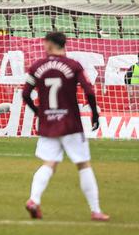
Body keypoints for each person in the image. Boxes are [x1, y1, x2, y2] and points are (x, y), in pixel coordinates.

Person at [22, 31, 107, 222]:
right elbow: (89, 91)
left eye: (45, 43)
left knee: (49, 163)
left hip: (48, 123)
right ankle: (96, 211)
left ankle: (34, 200)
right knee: (83, 164)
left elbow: (25, 94)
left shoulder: (37, 66)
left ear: (51, 45)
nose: (44, 46)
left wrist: (38, 113)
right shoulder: (73, 65)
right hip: (70, 124)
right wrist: (95, 113)